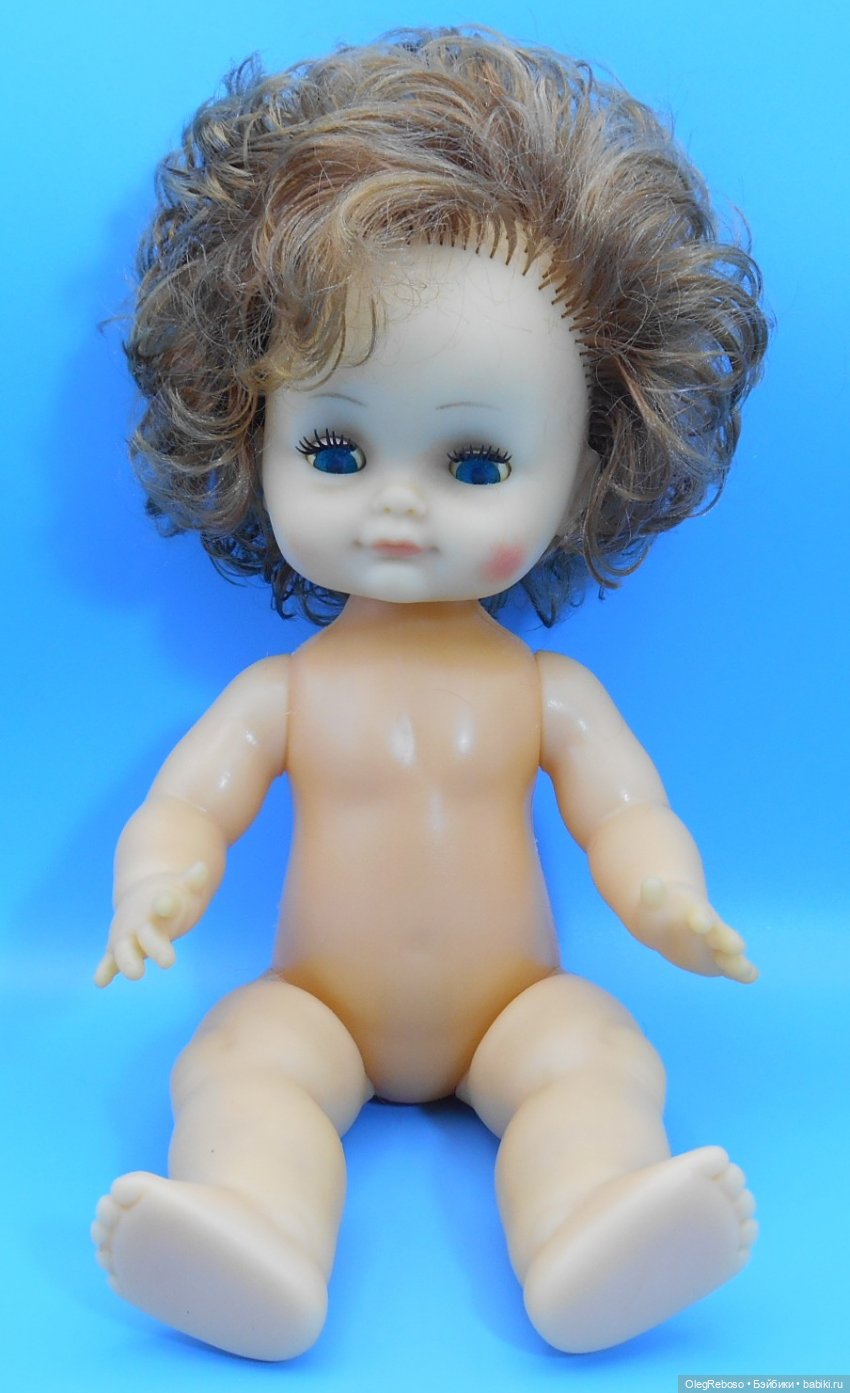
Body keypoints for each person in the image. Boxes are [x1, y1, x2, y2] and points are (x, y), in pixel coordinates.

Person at [91, 28, 767, 1360]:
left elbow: (626, 812)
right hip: (319, 1002)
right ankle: (253, 1237)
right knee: (241, 1061)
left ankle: (589, 1230)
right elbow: (189, 808)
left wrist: (662, 898)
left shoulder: (547, 692)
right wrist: (154, 887)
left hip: (514, 1002)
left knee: (594, 1055)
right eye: (337, 449)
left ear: (584, 469)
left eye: (473, 464)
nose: (396, 505)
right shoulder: (284, 694)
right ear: (250, 434)